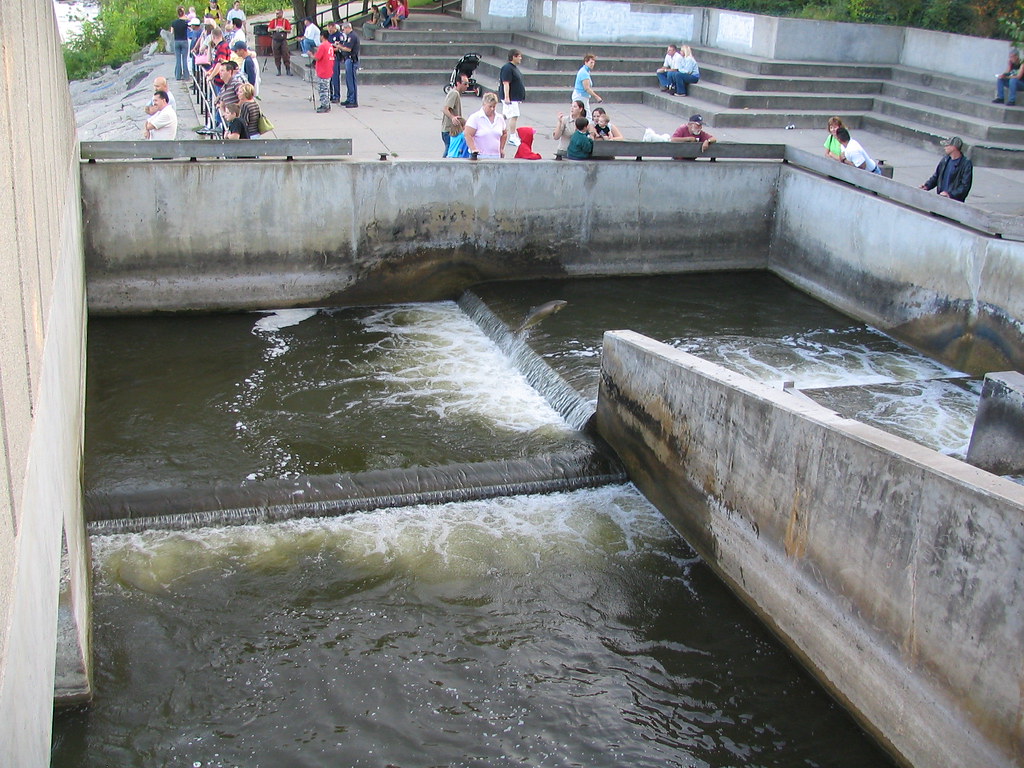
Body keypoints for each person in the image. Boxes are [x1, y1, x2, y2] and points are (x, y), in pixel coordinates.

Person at [919, 136, 973, 202]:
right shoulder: (945, 160)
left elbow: (965, 186)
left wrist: (950, 194)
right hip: (940, 199)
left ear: (954, 147)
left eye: (947, 145)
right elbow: (936, 176)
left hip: (954, 202)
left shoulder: (966, 164)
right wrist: (927, 186)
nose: (945, 147)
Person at [465, 92, 507, 159]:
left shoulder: (500, 118)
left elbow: (504, 133)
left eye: (494, 106)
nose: (492, 109)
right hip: (480, 156)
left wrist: (501, 148)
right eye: (490, 106)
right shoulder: (475, 117)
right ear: (484, 104)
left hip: (496, 155)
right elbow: (467, 134)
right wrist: (473, 149)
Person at [499, 49, 526, 147]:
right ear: (513, 57)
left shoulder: (513, 68)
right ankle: (512, 136)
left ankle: (495, 127)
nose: (520, 58)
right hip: (511, 98)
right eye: (519, 56)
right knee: (514, 115)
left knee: (505, 115)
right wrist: (507, 97)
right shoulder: (507, 68)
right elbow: (506, 83)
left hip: (514, 97)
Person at [442, 73, 469, 156]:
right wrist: (453, 117)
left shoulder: (456, 94)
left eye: (468, 83)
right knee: (450, 152)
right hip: (450, 130)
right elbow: (445, 109)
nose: (467, 86)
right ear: (458, 83)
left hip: (453, 130)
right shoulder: (454, 93)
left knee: (451, 150)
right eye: (465, 84)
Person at [312, 32, 334, 112]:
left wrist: (311, 55)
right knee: (326, 88)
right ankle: (326, 104)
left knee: (323, 89)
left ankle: (325, 105)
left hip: (323, 70)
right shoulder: (329, 45)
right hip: (328, 69)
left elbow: (317, 57)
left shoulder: (322, 46)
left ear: (322, 36)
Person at [340, 22, 360, 107]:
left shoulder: (352, 36)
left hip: (351, 60)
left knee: (351, 80)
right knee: (348, 81)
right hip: (348, 59)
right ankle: (349, 98)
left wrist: (340, 47)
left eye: (344, 29)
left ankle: (353, 100)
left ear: (348, 28)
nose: (343, 31)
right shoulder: (350, 36)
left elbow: (348, 49)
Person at [268, 9, 292, 76]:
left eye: (278, 13)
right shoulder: (273, 21)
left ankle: (288, 70)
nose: (277, 15)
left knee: (286, 55)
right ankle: (278, 70)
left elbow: (289, 30)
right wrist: (275, 29)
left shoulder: (285, 21)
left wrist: (283, 29)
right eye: (276, 13)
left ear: (281, 13)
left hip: (283, 40)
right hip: (275, 40)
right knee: (276, 55)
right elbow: (269, 29)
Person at [325, 21, 343, 103]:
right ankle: (331, 94)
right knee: (330, 78)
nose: (329, 31)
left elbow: (339, 47)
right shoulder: (329, 36)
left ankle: (337, 95)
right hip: (328, 57)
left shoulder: (339, 36)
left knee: (335, 77)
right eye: (328, 30)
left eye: (331, 30)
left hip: (335, 57)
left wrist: (330, 49)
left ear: (334, 27)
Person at [170, 7, 191, 81]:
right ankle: (186, 76)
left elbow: (171, 32)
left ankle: (178, 76)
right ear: (183, 13)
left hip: (176, 41)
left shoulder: (174, 22)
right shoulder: (186, 22)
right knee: (184, 59)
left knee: (178, 59)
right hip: (184, 41)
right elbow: (191, 29)